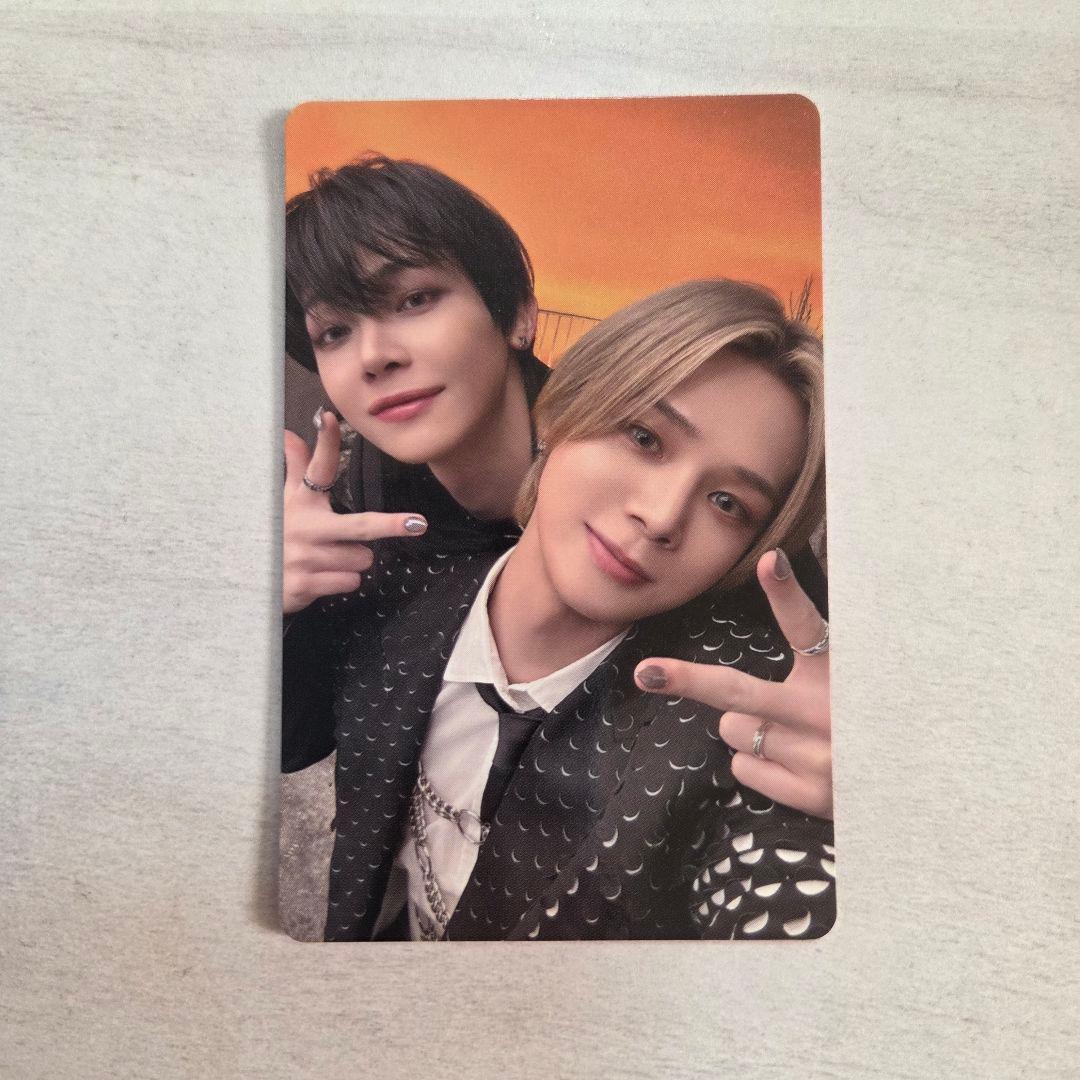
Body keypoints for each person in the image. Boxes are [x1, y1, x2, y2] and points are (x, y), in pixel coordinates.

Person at [281, 155, 834, 825]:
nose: (374, 356)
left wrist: (841, 768)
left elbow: (809, 693)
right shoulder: (363, 507)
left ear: (517, 314)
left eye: (415, 300)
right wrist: (282, 606)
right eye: (334, 332)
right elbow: (300, 740)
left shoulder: (695, 506)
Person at [324, 279, 833, 941]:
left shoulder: (735, 722)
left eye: (728, 504)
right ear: (564, 412)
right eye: (645, 437)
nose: (661, 516)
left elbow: (788, 889)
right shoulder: (392, 593)